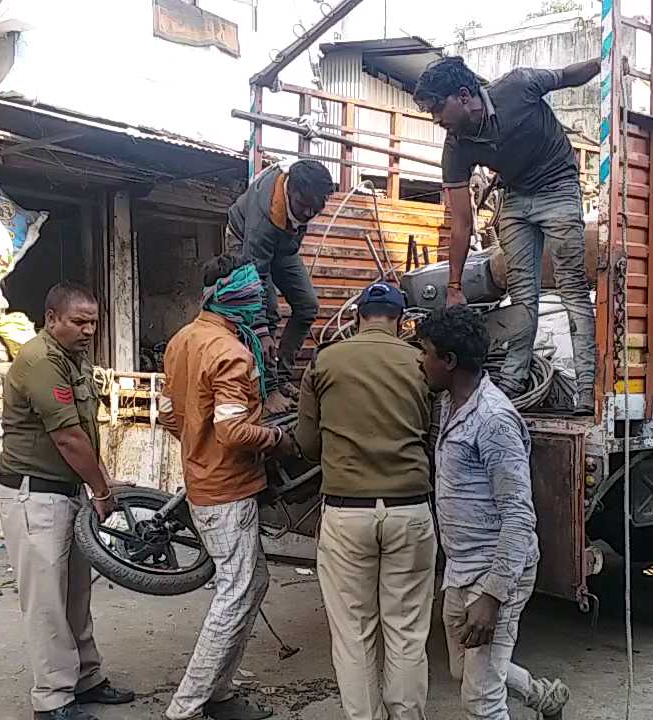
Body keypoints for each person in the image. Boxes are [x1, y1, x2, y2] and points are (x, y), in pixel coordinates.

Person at [413, 56, 600, 415]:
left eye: (438, 109)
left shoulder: (519, 85)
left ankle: (586, 389)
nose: (436, 120)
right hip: (515, 197)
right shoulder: (455, 146)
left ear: (464, 96)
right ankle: (513, 382)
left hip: (558, 187)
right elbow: (462, 223)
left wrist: (604, 64)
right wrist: (453, 287)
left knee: (571, 286)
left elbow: (566, 74)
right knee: (520, 295)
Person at [159, 255, 300, 720]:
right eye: (256, 296)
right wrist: (277, 438)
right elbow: (235, 433)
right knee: (234, 594)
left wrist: (198, 442)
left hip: (202, 478)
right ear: (237, 295)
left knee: (250, 584)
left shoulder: (182, 341)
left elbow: (168, 415)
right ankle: (187, 707)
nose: (261, 304)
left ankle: (219, 695)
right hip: (227, 490)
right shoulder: (230, 353)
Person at [415, 306, 571, 720]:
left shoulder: (494, 420)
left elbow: (519, 515)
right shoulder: (450, 402)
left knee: (481, 701)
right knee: (461, 669)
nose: (420, 360)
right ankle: (543, 698)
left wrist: (492, 597)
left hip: (496, 573)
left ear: (448, 362)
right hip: (462, 568)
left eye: (425, 352)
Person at [295, 282, 437, 720]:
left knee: (354, 635)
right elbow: (433, 432)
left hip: (346, 512)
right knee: (407, 633)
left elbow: (306, 444)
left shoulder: (324, 361)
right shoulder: (421, 363)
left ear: (359, 316)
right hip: (411, 510)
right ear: (400, 320)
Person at [0, 281, 136, 720]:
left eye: (94, 321)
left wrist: (97, 481)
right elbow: (67, 436)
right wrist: (102, 489)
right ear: (51, 317)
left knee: (77, 593)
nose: (89, 329)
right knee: (46, 602)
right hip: (33, 495)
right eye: (79, 321)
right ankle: (53, 701)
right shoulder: (39, 360)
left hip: (66, 491)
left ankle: (86, 679)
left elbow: (85, 433)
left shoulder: (73, 359)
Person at [225, 159, 335, 414]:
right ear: (290, 190)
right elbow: (256, 277)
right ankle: (268, 390)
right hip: (244, 241)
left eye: (315, 208)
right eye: (303, 205)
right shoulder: (264, 217)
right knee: (267, 315)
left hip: (282, 245)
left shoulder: (303, 190)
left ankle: (283, 378)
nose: (308, 213)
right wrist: (261, 329)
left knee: (307, 306)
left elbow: (302, 214)